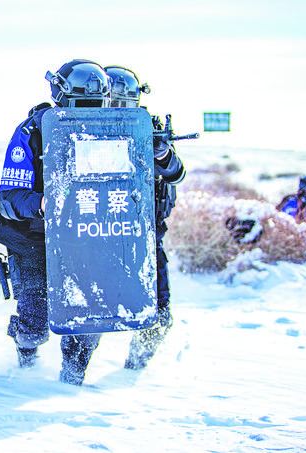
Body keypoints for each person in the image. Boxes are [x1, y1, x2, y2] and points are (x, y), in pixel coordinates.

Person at [0, 59, 113, 385]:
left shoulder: (115, 131)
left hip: (87, 239)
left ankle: (70, 388)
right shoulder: (31, 133)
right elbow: (10, 197)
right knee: (33, 327)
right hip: (33, 241)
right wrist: (42, 203)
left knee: (88, 322)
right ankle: (23, 366)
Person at [104, 65, 186, 369]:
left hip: (146, 238)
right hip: (96, 236)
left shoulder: (147, 127)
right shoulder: (81, 128)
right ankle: (69, 379)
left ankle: (134, 370)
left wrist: (161, 152)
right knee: (87, 322)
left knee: (159, 317)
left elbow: (176, 173)